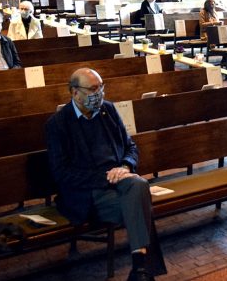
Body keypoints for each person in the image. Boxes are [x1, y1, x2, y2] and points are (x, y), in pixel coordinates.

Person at [45, 68, 166, 281]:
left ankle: (140, 270)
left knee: (138, 186)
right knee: (140, 199)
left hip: (120, 181)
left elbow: (131, 147)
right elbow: (61, 173)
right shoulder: (57, 124)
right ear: (75, 93)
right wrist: (104, 177)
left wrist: (126, 167)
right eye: (93, 89)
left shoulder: (108, 110)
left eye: (101, 87)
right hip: (88, 193)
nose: (99, 93)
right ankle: (142, 271)